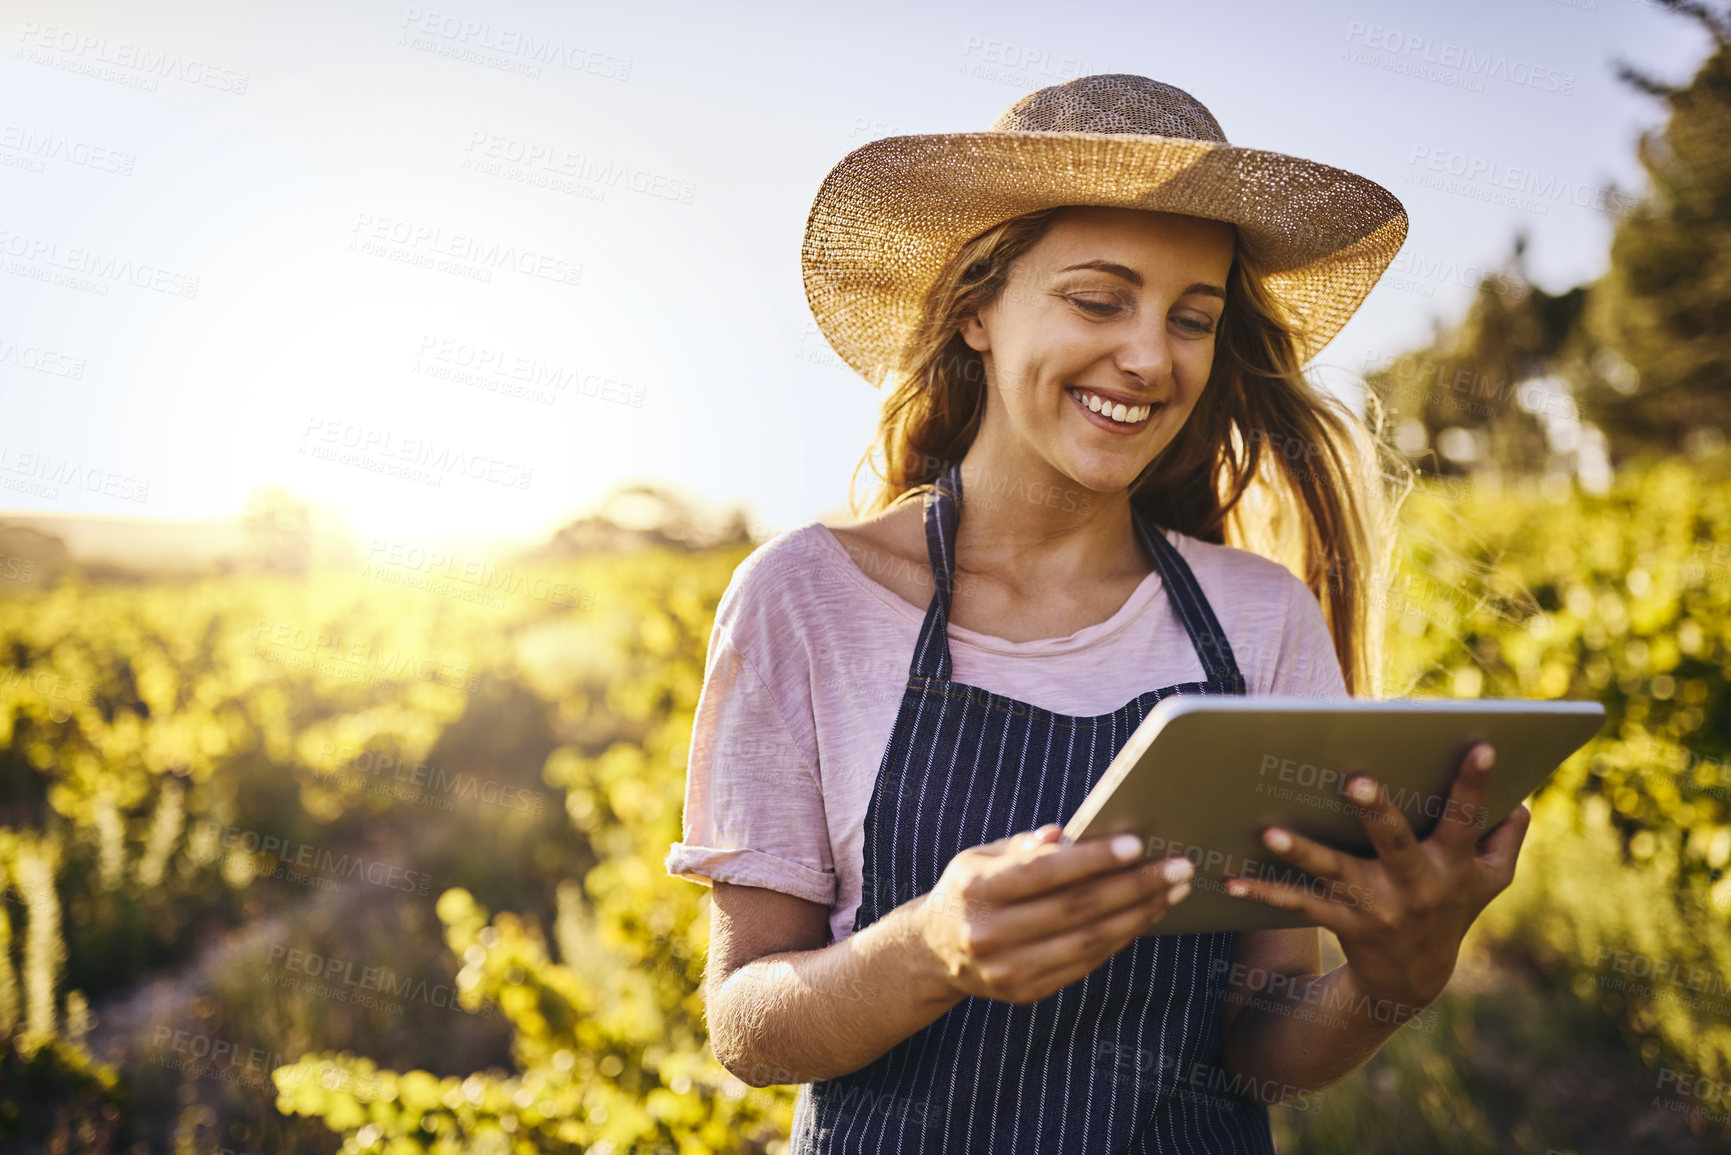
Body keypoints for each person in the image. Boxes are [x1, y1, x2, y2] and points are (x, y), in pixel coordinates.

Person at [665, 74, 1530, 1153]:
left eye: (1192, 318)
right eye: (1098, 298)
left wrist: (1393, 981)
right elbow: (750, 1025)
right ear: (976, 308)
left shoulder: (1259, 621)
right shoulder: (809, 599)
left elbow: (1259, 1045)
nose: (1150, 356)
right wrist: (930, 948)